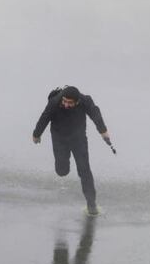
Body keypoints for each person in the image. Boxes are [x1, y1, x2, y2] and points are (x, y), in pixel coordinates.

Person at [33, 86, 109, 215]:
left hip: (78, 139)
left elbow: (95, 114)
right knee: (62, 171)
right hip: (59, 138)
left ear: (77, 101)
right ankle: (63, 166)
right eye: (64, 101)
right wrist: (36, 134)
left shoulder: (85, 101)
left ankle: (91, 204)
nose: (66, 105)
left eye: (70, 102)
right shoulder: (54, 102)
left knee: (84, 170)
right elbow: (44, 117)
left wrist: (103, 131)